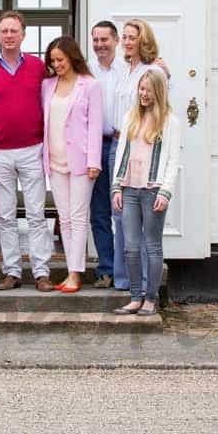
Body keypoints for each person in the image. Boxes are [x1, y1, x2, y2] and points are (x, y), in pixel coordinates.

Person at [0, 11, 53, 291]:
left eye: (14, 31)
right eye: (4, 31)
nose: (9, 35)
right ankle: (12, 271)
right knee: (5, 216)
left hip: (32, 149)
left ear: (23, 34)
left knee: (36, 214)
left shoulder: (39, 67)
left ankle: (41, 272)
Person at [111, 70, 181, 317]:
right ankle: (134, 297)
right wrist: (117, 186)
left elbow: (173, 160)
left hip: (153, 192)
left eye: (149, 90)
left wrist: (165, 191)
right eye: (141, 89)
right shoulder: (130, 117)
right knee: (130, 246)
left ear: (158, 92)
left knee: (152, 246)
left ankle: (151, 299)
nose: (144, 94)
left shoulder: (170, 122)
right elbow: (122, 153)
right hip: (129, 189)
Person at [41, 36, 103, 293]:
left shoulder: (90, 85)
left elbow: (96, 126)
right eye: (53, 61)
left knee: (78, 218)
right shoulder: (47, 85)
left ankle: (76, 274)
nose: (56, 64)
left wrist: (94, 162)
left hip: (81, 162)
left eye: (60, 60)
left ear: (72, 57)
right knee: (64, 218)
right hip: (54, 162)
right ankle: (70, 270)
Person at [111, 19, 168, 292]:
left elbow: (162, 106)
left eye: (132, 37)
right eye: (125, 37)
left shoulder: (152, 69)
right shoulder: (123, 69)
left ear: (143, 40)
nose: (127, 41)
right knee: (119, 216)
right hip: (118, 145)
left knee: (142, 222)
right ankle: (124, 279)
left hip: (141, 145)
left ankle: (146, 283)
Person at [86, 21, 122, 288]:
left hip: (122, 145)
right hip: (95, 146)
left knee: (122, 211)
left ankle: (124, 271)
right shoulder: (87, 72)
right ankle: (106, 269)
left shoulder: (131, 69)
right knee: (99, 212)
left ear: (116, 40)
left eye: (104, 39)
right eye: (96, 40)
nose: (100, 45)